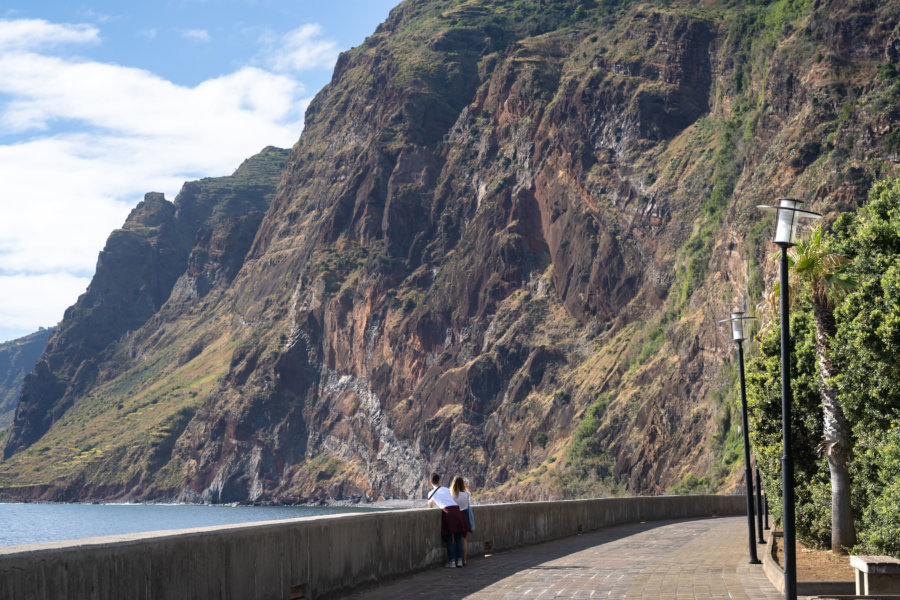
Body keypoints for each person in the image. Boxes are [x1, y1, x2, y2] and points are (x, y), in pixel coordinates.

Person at [427, 471, 465, 568]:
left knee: (448, 538)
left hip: (448, 513)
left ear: (430, 482)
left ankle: (452, 561)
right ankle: (459, 561)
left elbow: (430, 506)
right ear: (439, 480)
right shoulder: (446, 489)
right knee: (457, 538)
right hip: (457, 511)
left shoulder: (431, 493)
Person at [450, 476, 472, 566]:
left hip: (455, 517)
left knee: (456, 539)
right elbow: (471, 492)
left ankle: (457, 559)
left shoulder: (452, 495)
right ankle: (464, 560)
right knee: (464, 539)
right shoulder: (466, 494)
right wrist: (466, 486)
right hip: (464, 517)